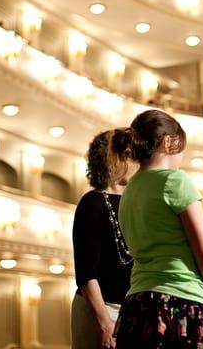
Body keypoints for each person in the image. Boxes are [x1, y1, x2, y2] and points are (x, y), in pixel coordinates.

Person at [112, 109, 203, 349]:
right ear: (168, 142)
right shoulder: (175, 180)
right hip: (179, 303)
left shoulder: (129, 191)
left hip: (135, 306)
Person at [72, 129, 138, 349]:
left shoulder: (134, 203)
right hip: (99, 309)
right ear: (114, 159)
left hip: (129, 310)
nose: (136, 162)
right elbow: (85, 273)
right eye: (130, 155)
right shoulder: (92, 202)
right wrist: (104, 323)